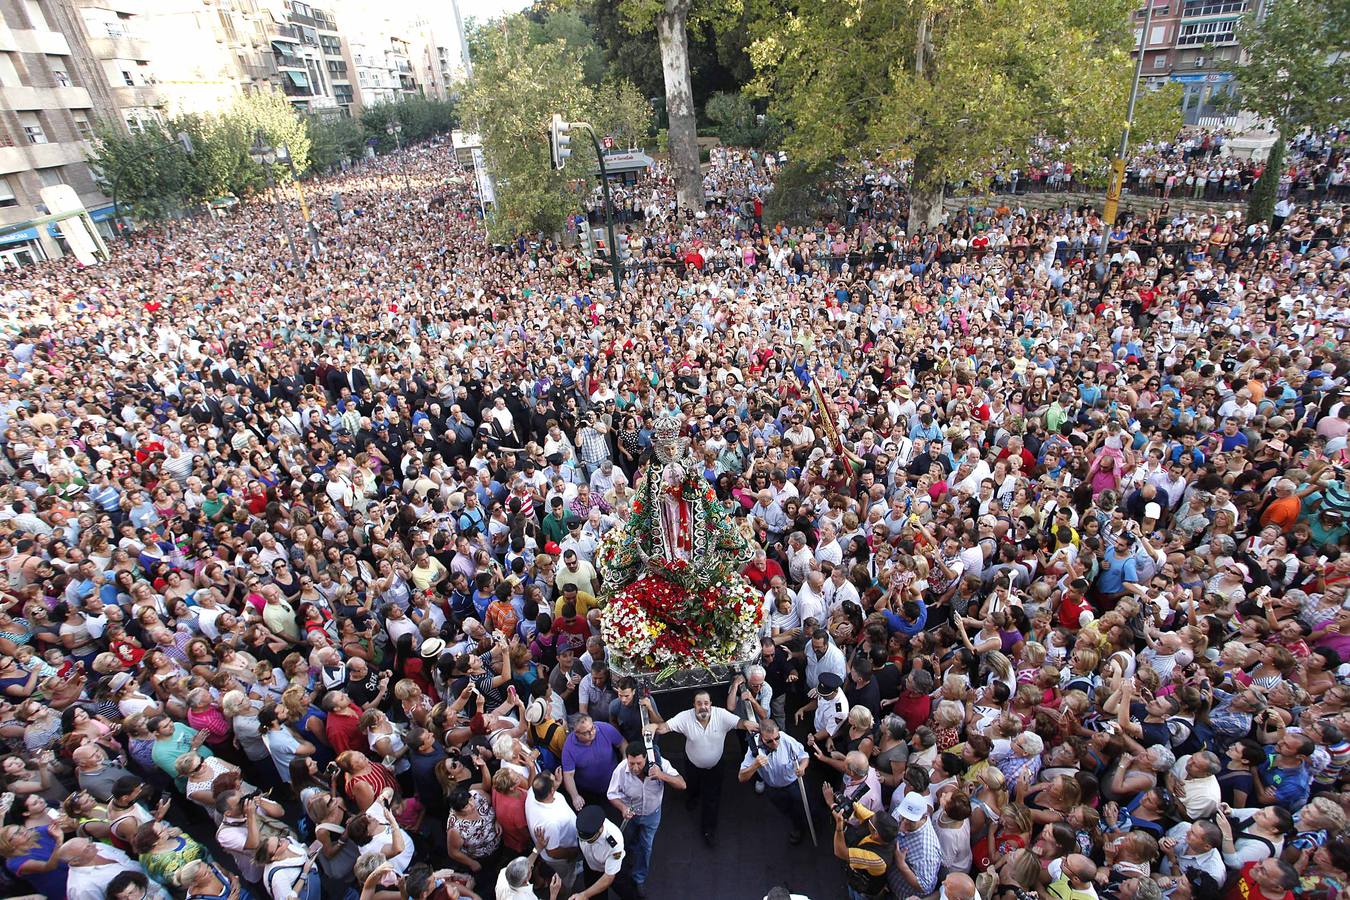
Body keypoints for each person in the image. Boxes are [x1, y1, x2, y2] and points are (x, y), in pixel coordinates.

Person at [646, 689, 757, 845]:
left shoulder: (721, 715)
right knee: (692, 786)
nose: (703, 707)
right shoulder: (685, 717)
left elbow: (739, 723)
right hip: (692, 763)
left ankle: (708, 830)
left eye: (706, 703)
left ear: (711, 704)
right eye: (699, 703)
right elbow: (664, 728)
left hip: (715, 766)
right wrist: (654, 727)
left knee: (712, 798)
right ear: (694, 705)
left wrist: (747, 723)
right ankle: (692, 798)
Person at [606, 740, 685, 895]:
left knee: (646, 846)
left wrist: (661, 775)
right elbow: (612, 794)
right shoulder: (620, 770)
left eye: (639, 763)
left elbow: (682, 784)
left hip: (652, 814)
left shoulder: (661, 764)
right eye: (631, 763)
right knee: (627, 841)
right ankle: (627, 862)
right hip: (631, 815)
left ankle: (639, 878)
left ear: (646, 759)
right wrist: (623, 808)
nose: (635, 768)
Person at [738, 719, 811, 844]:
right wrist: (755, 766)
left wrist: (803, 767)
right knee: (786, 809)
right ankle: (797, 823)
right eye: (769, 741)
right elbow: (741, 777)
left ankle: (806, 824)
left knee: (804, 806)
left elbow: (803, 756)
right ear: (761, 737)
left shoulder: (786, 739)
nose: (775, 743)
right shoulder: (754, 749)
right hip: (773, 789)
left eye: (777, 738)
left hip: (793, 784)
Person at [572, 805, 636, 900]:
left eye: (590, 840)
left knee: (628, 893)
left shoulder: (614, 843)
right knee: (595, 896)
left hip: (613, 868)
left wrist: (584, 895)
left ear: (600, 828)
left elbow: (608, 878)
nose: (587, 842)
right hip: (591, 866)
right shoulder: (583, 826)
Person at [562, 715, 625, 812]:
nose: (591, 733)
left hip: (615, 785)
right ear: (576, 733)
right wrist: (575, 796)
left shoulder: (604, 728)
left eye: (592, 728)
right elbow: (568, 775)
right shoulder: (569, 748)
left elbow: (622, 744)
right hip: (590, 793)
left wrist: (624, 765)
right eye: (586, 732)